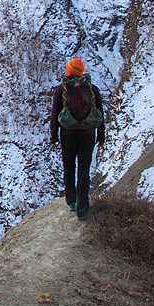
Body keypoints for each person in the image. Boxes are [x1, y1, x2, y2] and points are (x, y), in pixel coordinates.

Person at [49, 56, 105, 220]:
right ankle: (83, 210)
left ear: (69, 71)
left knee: (69, 167)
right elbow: (100, 114)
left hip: (68, 134)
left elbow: (55, 114)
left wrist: (53, 137)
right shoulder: (92, 89)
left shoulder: (62, 89)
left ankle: (71, 201)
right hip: (88, 134)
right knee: (83, 170)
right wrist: (101, 136)